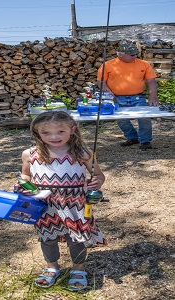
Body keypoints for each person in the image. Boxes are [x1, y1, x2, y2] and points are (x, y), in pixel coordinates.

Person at [19, 111, 106, 291]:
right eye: (46, 133)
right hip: (45, 205)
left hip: (75, 204)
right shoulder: (30, 154)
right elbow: (25, 174)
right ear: (37, 133)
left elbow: (98, 175)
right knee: (47, 237)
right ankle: (52, 267)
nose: (54, 136)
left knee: (76, 238)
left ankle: (78, 268)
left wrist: (97, 181)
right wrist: (23, 184)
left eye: (60, 131)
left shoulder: (83, 152)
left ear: (72, 129)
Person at [97, 41, 159, 150]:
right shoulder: (107, 65)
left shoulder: (144, 64)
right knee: (121, 119)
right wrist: (108, 93)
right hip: (116, 97)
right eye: (131, 54)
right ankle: (132, 137)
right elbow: (101, 82)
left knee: (144, 118)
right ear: (120, 54)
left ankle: (145, 141)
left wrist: (153, 94)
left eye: (135, 54)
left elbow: (151, 81)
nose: (134, 56)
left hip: (138, 97)